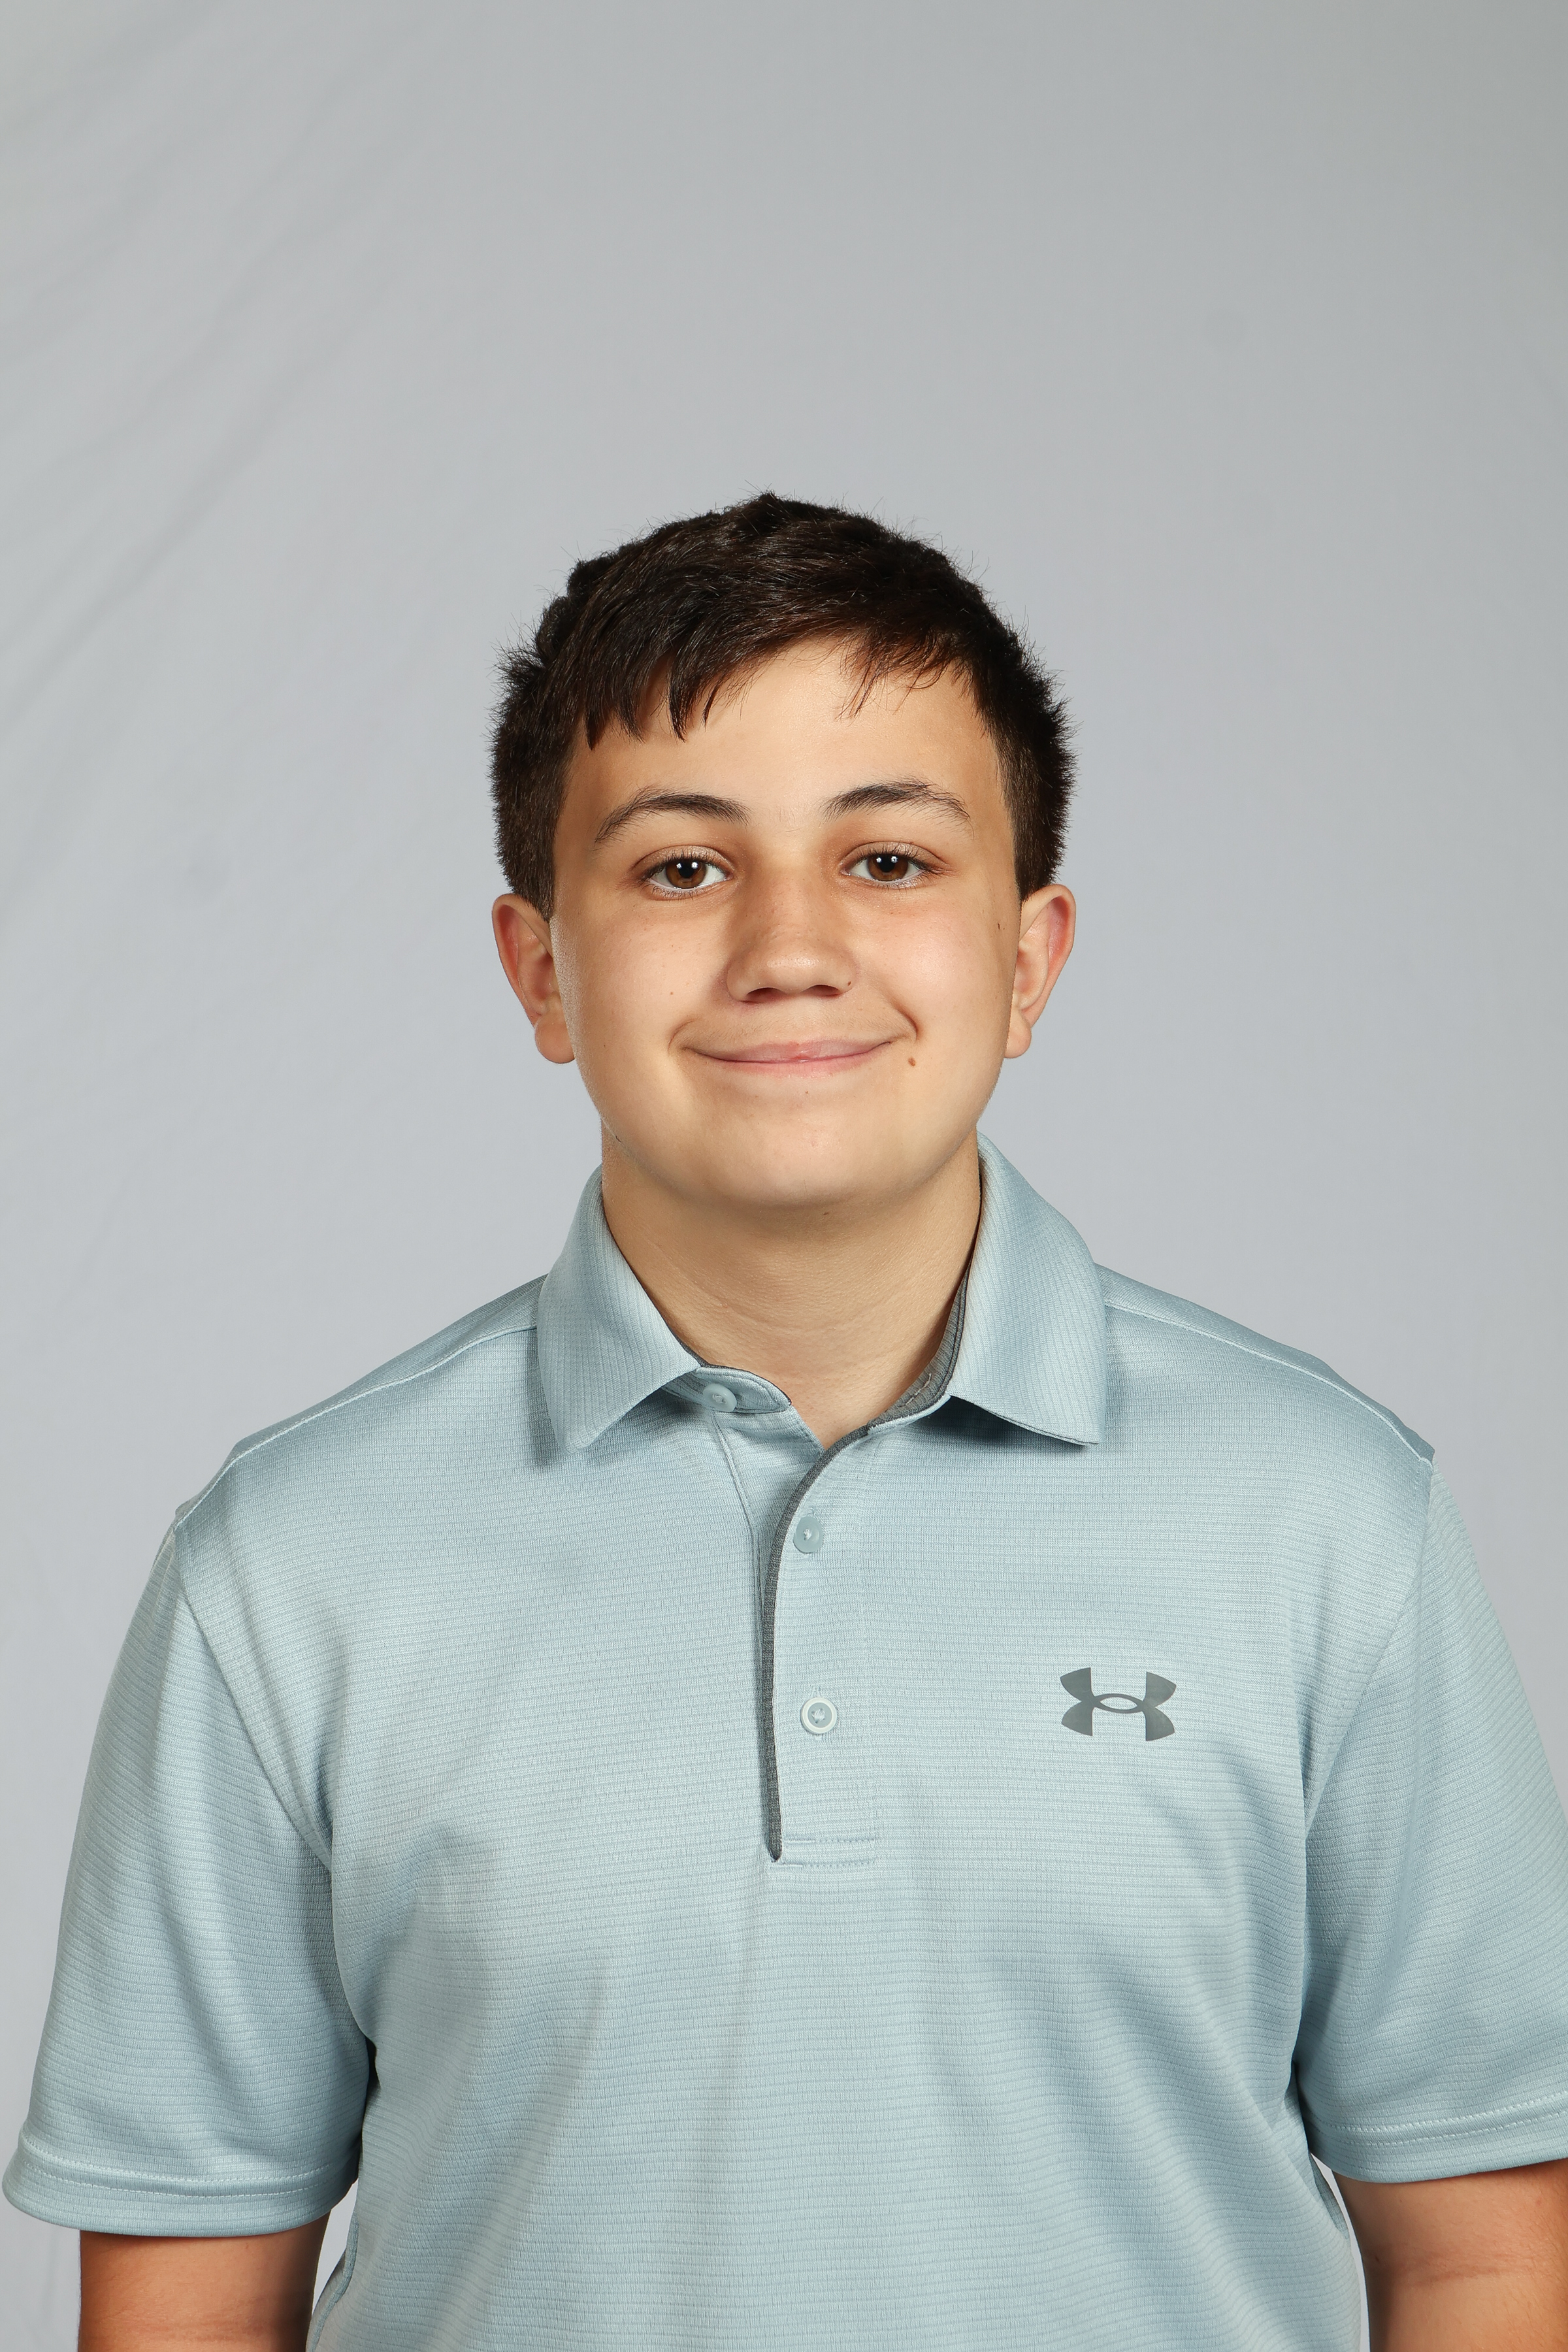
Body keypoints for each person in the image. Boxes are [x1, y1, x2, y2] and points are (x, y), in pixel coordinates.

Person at [7, 495, 1568, 2352]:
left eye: (890, 859)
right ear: (540, 970)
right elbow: (185, 2302)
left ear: (1029, 957)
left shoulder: (1325, 1520)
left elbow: (1483, 2253)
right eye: (682, 868)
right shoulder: (287, 1566)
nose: (791, 946)